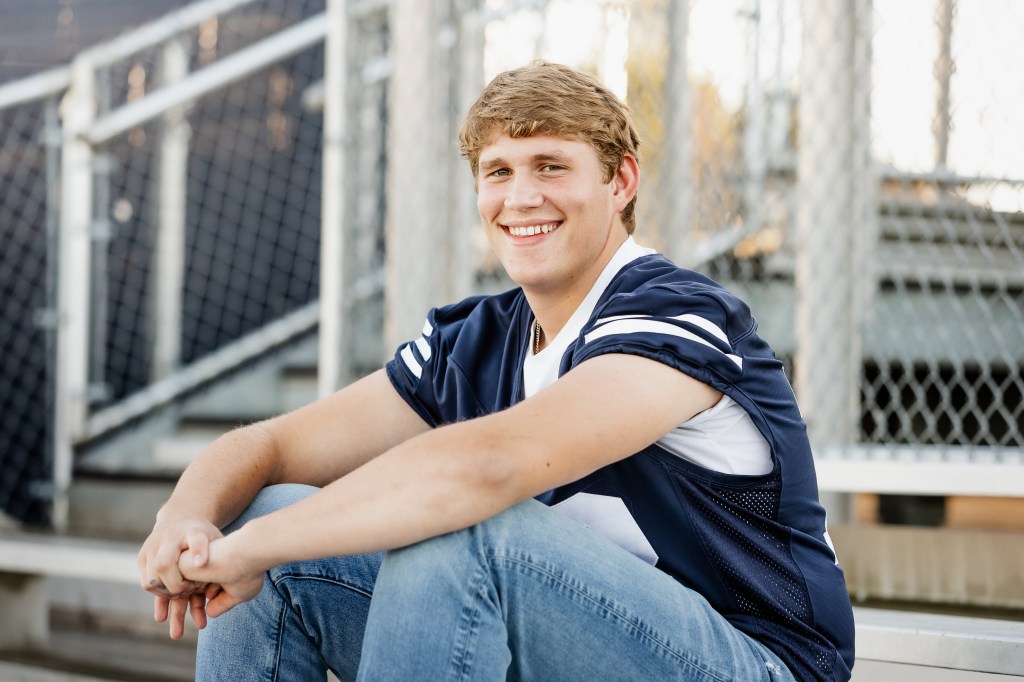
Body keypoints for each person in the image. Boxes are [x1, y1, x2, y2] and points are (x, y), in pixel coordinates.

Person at [139, 61, 855, 681]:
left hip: (752, 661)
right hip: (566, 648)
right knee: (266, 510)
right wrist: (188, 522)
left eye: (551, 166)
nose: (521, 197)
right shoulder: (476, 339)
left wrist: (243, 553)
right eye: (499, 172)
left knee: (467, 529)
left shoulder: (674, 309)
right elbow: (270, 446)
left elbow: (486, 468)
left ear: (621, 181)